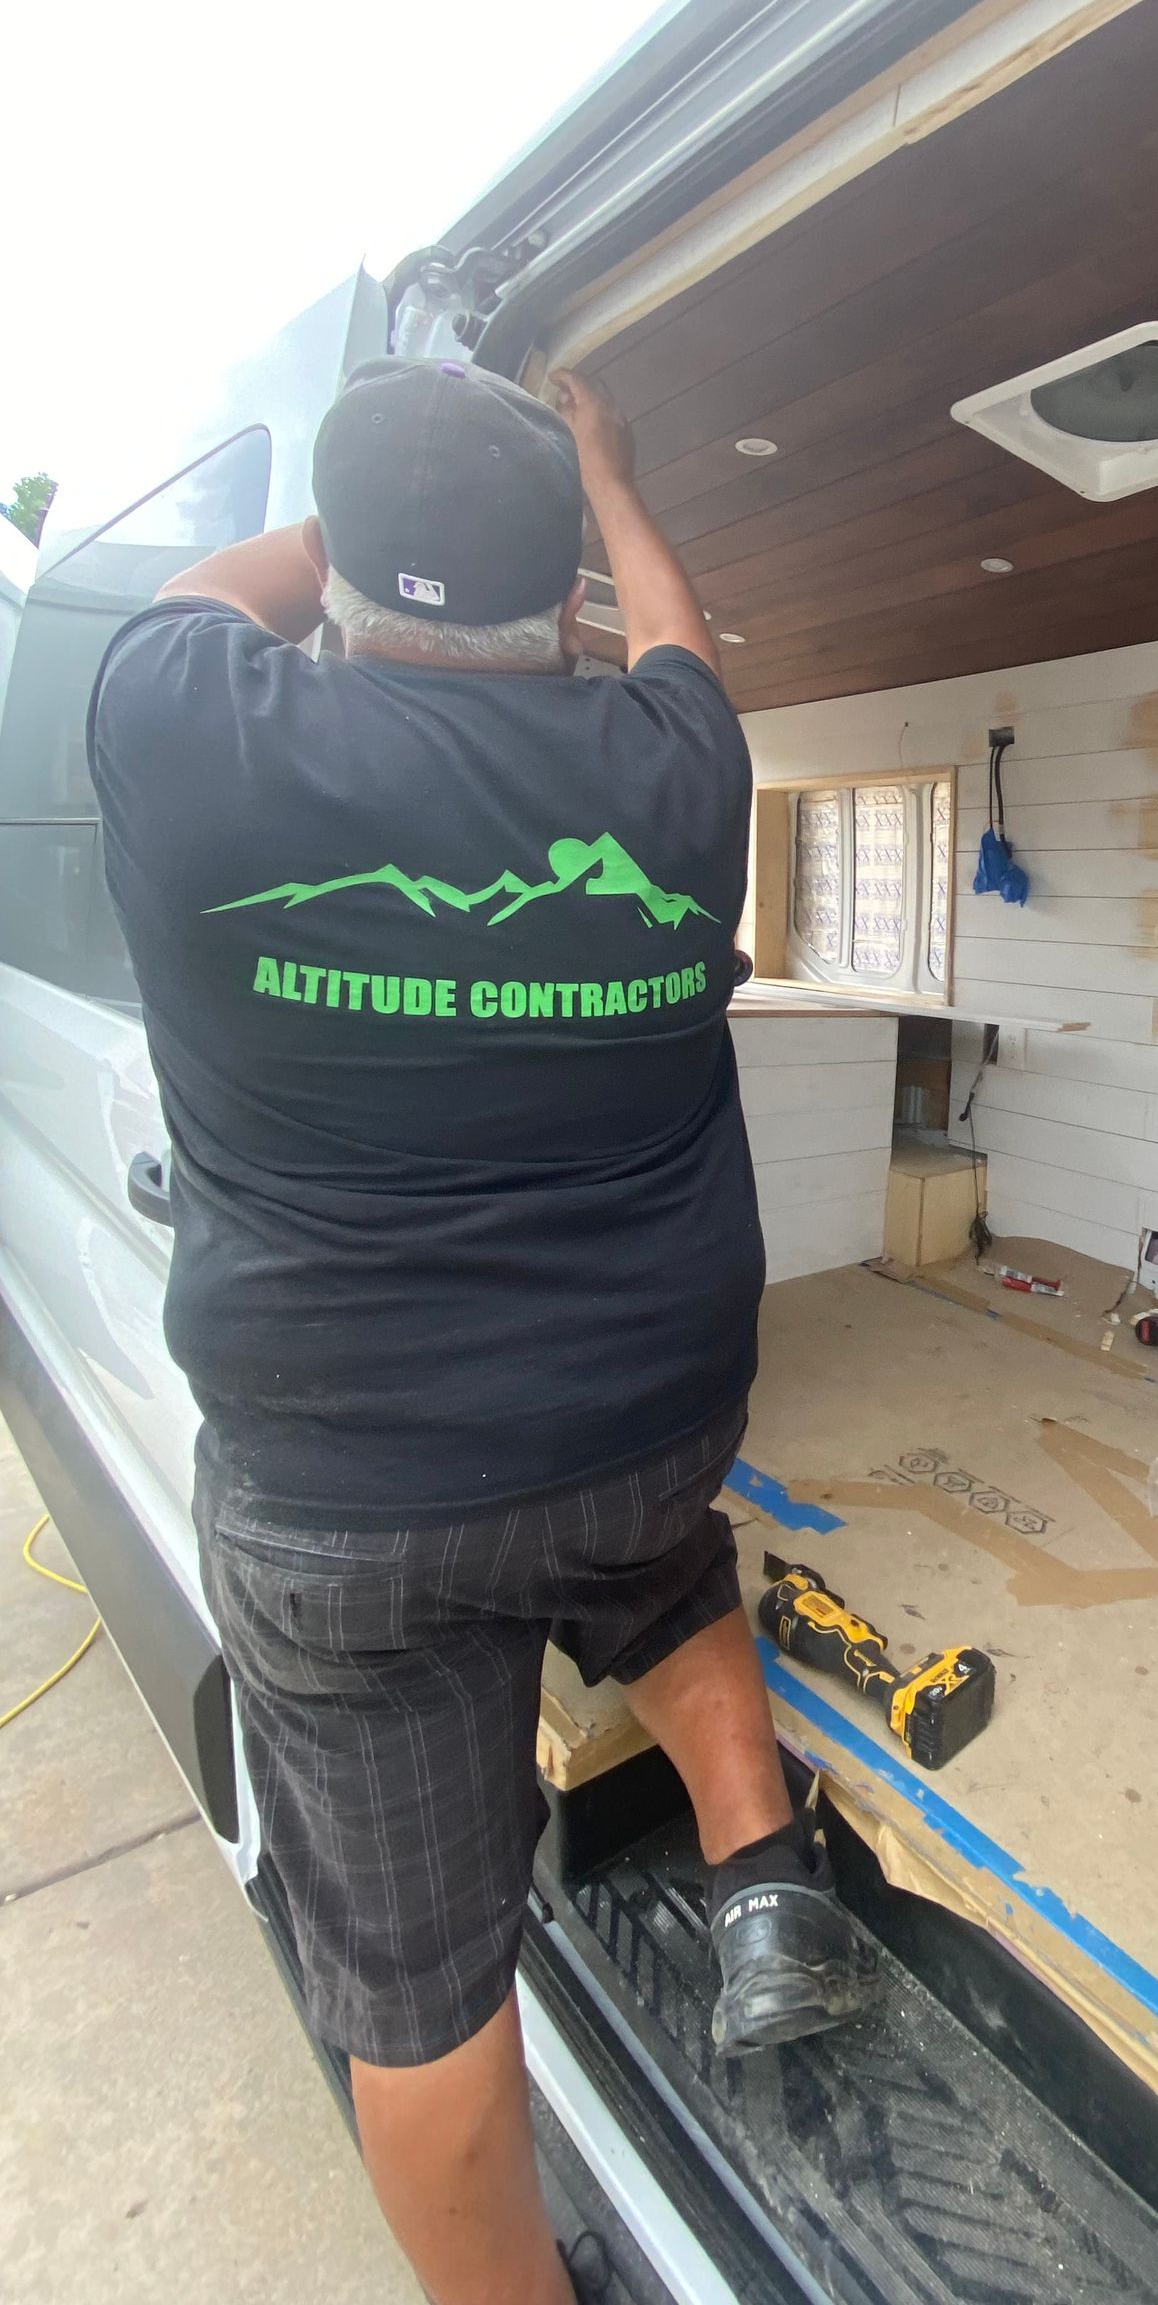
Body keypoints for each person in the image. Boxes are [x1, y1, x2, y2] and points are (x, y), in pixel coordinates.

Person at [86, 356, 878, 2305]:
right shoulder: (675, 771)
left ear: (345, 570)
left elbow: (224, 595)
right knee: (660, 1561)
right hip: (638, 1416)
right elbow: (685, 636)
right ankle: (760, 1859)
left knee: (421, 1986)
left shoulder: (188, 732)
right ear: (574, 610)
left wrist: (361, 530)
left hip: (350, 1493)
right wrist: (605, 471)